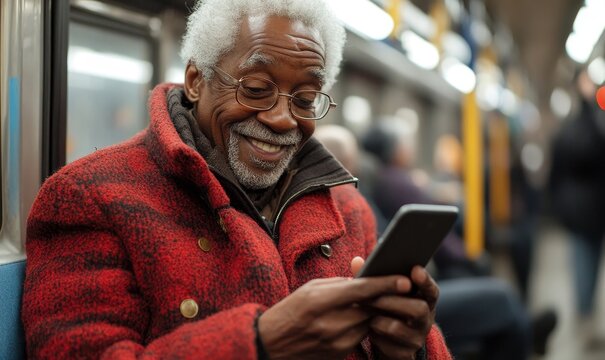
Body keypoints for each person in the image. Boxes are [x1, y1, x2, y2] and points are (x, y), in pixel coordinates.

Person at [22, 1, 452, 359]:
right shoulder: (91, 197)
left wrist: (408, 348)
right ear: (196, 80)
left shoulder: (345, 207)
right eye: (256, 88)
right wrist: (261, 341)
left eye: (304, 99)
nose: (283, 119)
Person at [549, 68, 605, 319]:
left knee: (587, 259)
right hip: (588, 207)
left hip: (585, 208)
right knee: (586, 260)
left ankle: (585, 309)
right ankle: (585, 310)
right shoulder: (588, 126)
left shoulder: (570, 128)